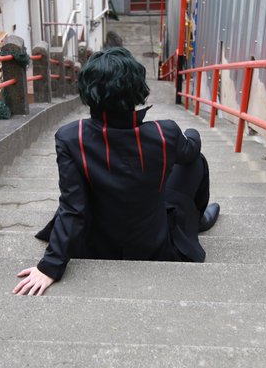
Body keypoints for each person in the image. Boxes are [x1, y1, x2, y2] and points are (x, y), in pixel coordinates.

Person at [13, 47, 220, 296]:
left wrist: (51, 265)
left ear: (87, 91)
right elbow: (190, 152)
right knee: (196, 161)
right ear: (137, 88)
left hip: (96, 244)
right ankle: (196, 221)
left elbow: (73, 206)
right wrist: (191, 134)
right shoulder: (165, 132)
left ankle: (194, 220)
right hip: (153, 245)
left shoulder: (71, 137)